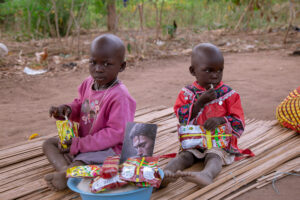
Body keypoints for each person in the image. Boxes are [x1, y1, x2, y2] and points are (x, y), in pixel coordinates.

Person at [43, 34, 136, 191]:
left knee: (83, 160)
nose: (98, 69)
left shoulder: (120, 96)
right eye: (93, 62)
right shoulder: (88, 83)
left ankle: (69, 172)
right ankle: (66, 170)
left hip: (110, 150)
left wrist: (80, 145)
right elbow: (81, 104)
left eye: (106, 64)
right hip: (84, 143)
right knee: (49, 144)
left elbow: (116, 133)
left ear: (121, 66)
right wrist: (67, 109)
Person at [161, 43, 252, 188]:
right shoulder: (187, 93)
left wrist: (221, 119)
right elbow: (181, 117)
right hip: (194, 141)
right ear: (193, 71)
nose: (215, 75)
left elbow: (239, 122)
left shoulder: (229, 94)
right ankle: (164, 174)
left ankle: (207, 174)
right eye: (208, 70)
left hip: (219, 142)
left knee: (214, 156)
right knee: (185, 156)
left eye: (219, 70)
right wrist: (199, 102)